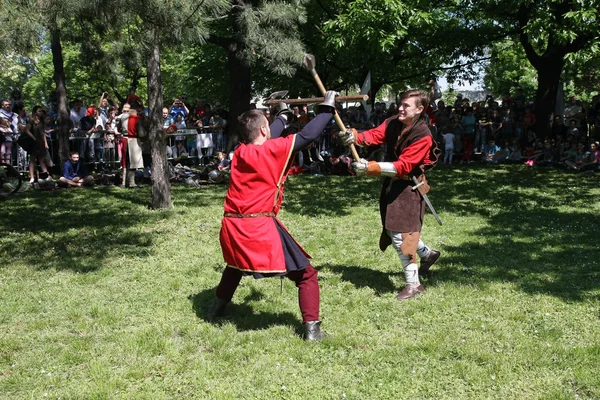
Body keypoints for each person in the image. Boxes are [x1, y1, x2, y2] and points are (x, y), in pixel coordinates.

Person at [208, 91, 336, 341]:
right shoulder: (272, 150)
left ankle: (216, 309)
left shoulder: (240, 152)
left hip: (232, 226)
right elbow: (308, 135)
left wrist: (283, 115)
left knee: (235, 265)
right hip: (258, 226)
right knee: (306, 275)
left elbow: (266, 134)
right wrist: (327, 109)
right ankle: (313, 329)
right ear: (265, 131)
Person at [340, 89, 441, 301]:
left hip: (409, 188)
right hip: (392, 186)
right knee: (392, 228)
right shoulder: (394, 121)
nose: (400, 108)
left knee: (402, 237)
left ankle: (414, 285)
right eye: (401, 104)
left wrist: (371, 167)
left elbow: (404, 166)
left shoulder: (423, 135)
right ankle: (428, 254)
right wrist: (355, 136)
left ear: (419, 109)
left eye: (406, 106)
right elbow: (375, 134)